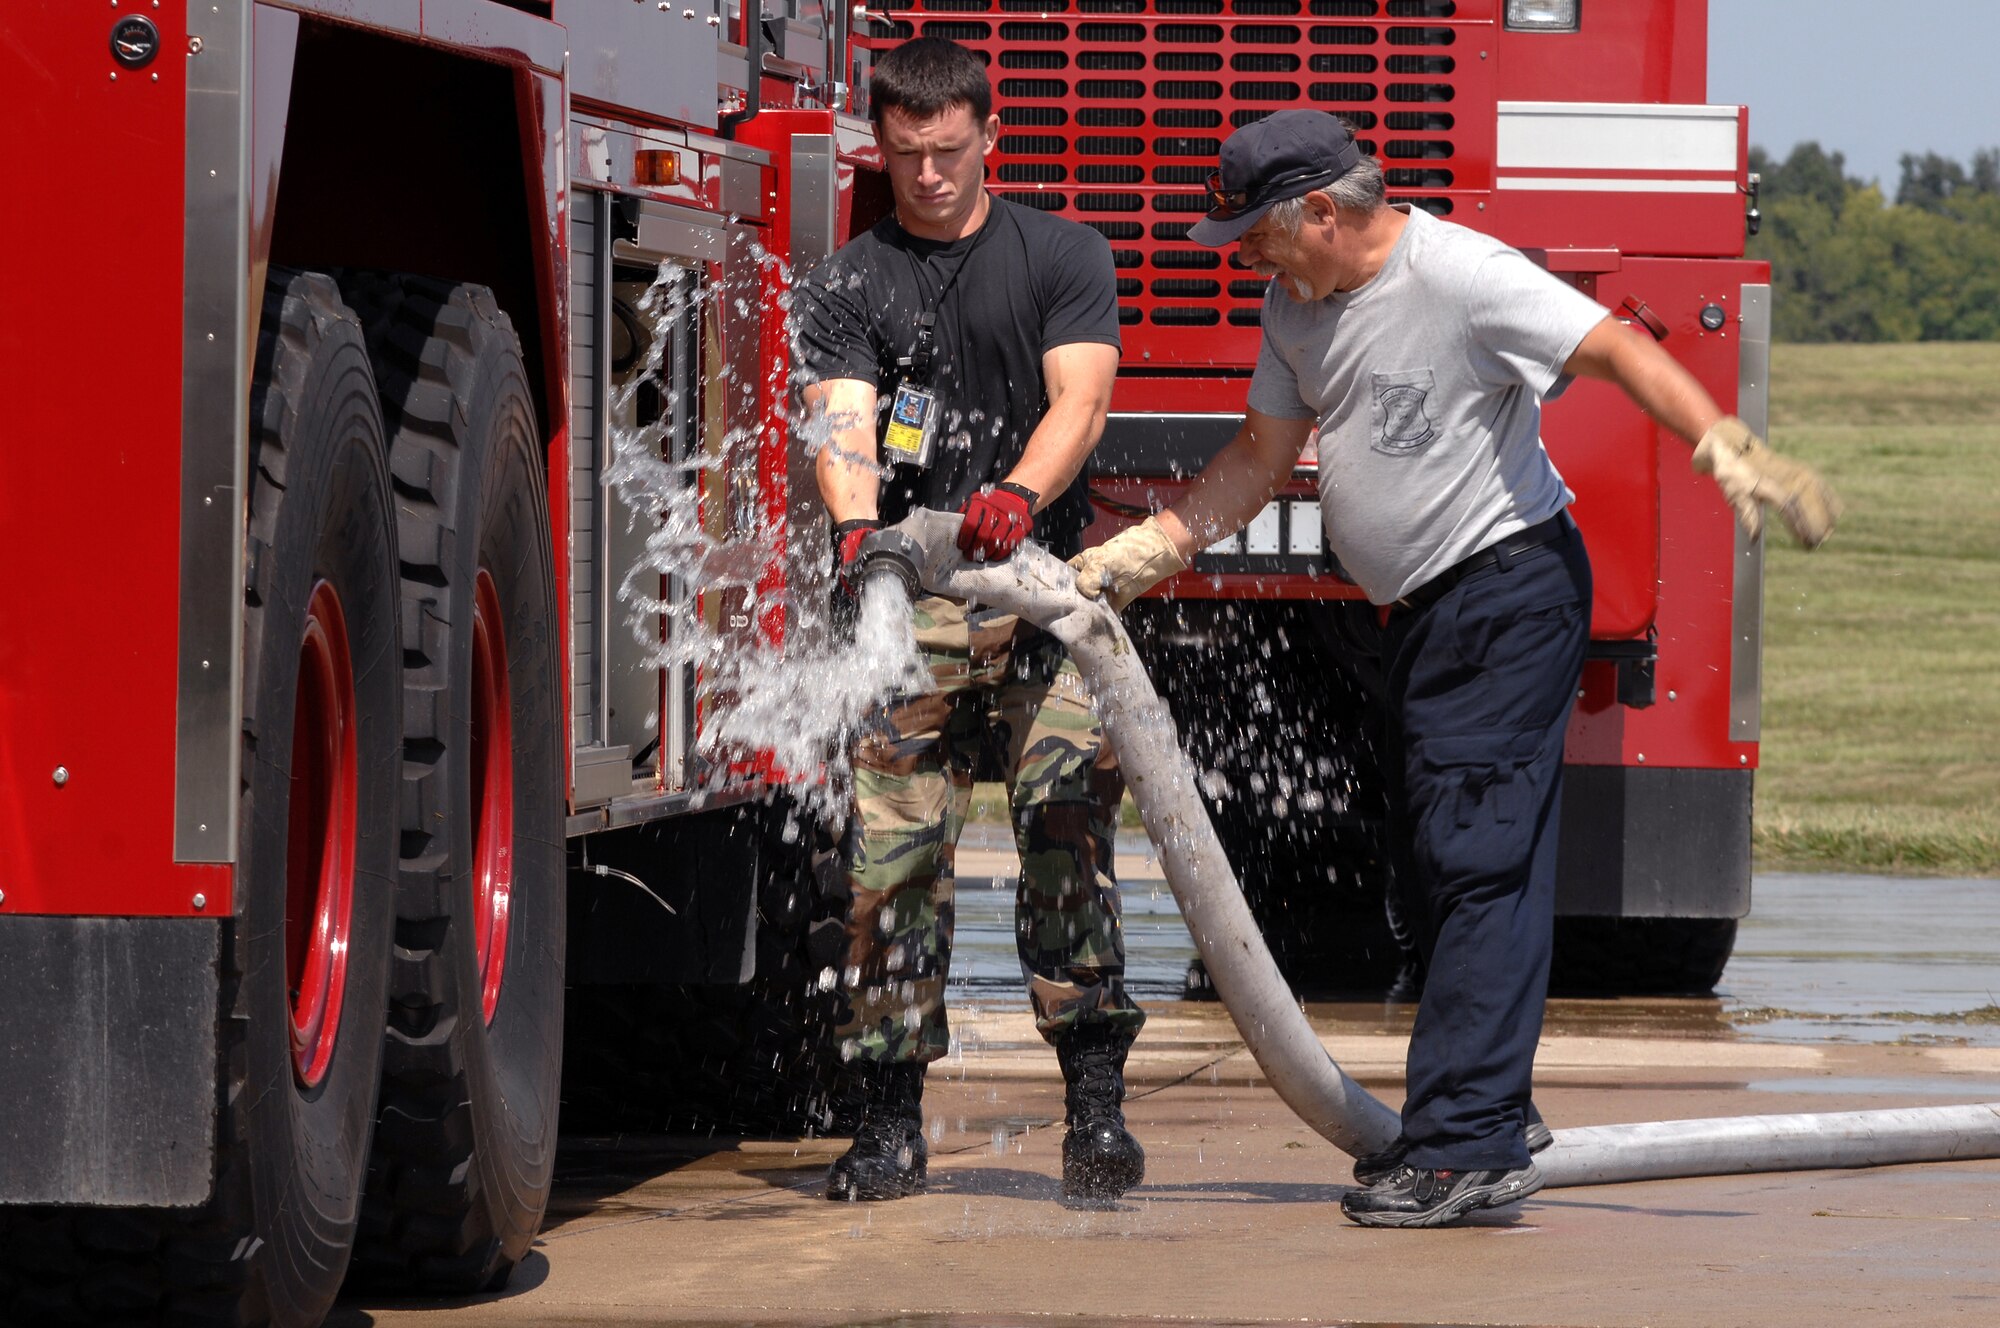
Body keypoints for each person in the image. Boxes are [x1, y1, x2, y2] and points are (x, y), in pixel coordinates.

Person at [1071, 109, 1838, 1229]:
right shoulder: (1296, 307)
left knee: (1474, 856)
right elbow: (1258, 455)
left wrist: (1721, 439)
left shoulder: (1462, 275)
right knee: (1435, 859)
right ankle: (1489, 1109)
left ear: (1321, 214)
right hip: (1421, 614)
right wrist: (1150, 548)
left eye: (1254, 234)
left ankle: (1463, 1146)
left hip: (1506, 588)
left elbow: (1616, 344)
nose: (1243, 257)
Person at [792, 37, 1146, 1205]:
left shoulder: (1060, 254)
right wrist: (860, 533)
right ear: (879, 146)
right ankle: (887, 1123)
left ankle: (1094, 1111)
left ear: (986, 135)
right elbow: (844, 421)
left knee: (1064, 832)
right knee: (886, 858)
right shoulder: (851, 278)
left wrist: (1014, 497)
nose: (929, 175)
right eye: (905, 156)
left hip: (1046, 593)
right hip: (917, 604)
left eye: (947, 152)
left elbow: (1079, 399)